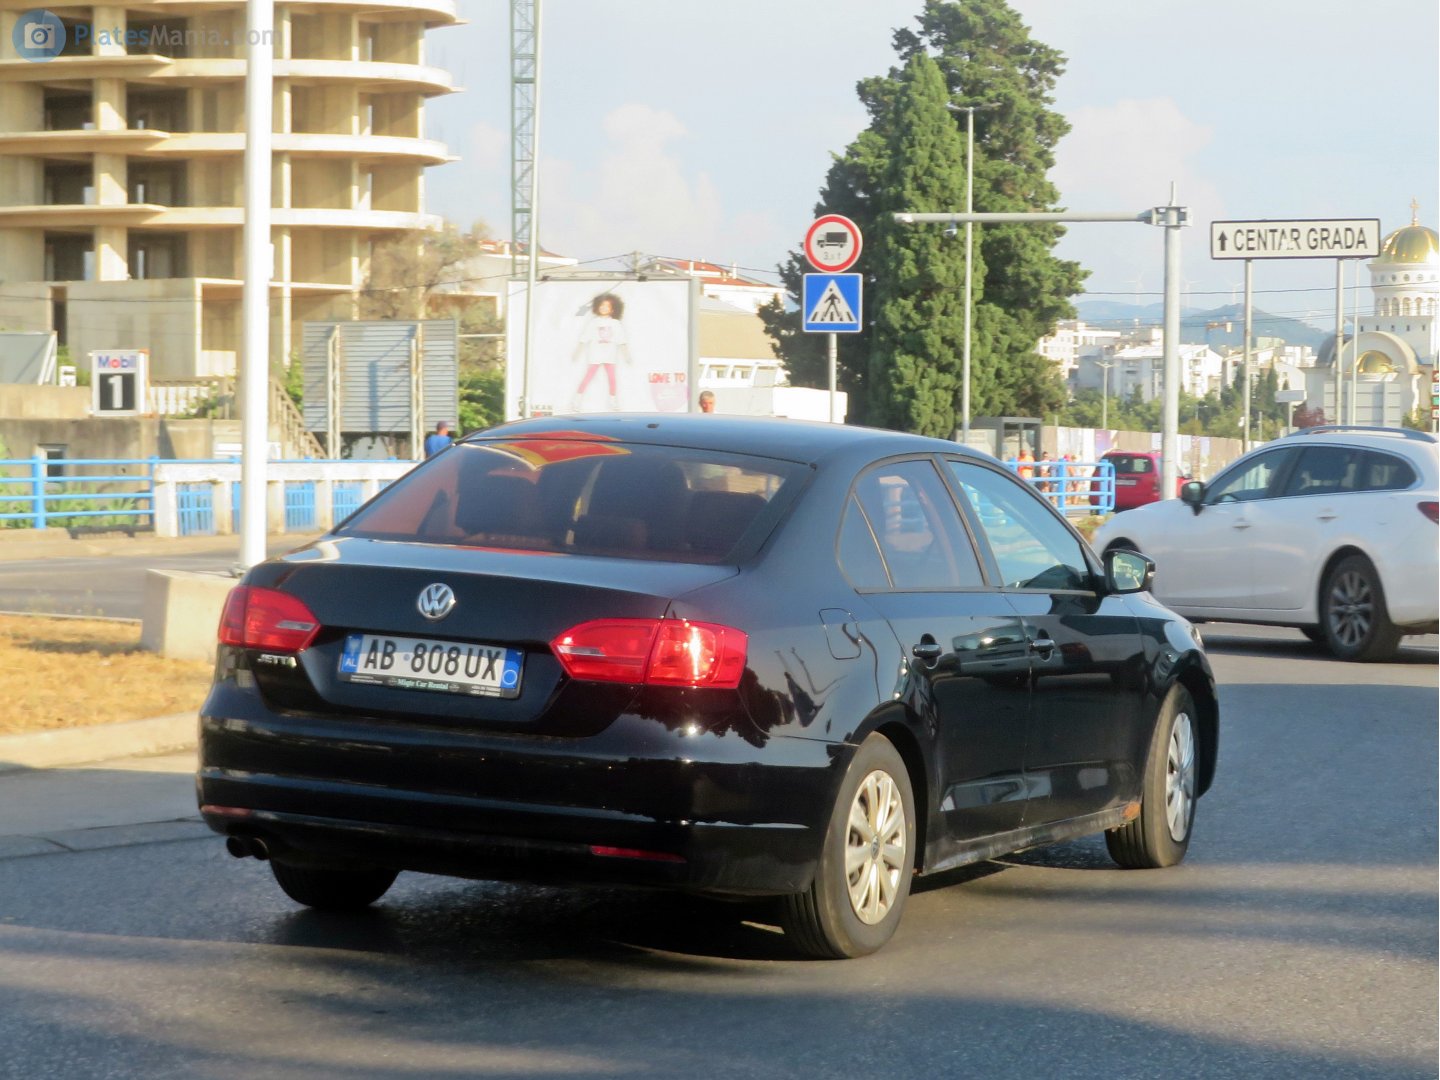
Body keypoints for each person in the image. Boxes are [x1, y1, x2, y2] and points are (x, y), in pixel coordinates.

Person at [572, 292, 630, 410]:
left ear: (612, 309)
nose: (604, 308)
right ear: (597, 307)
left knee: (612, 379)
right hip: (595, 355)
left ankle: (613, 402)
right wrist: (577, 352)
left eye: (607, 306)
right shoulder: (594, 322)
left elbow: (622, 340)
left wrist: (626, 355)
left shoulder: (615, 323)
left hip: (610, 356)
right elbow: (584, 337)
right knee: (588, 377)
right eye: (602, 305)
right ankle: (576, 400)